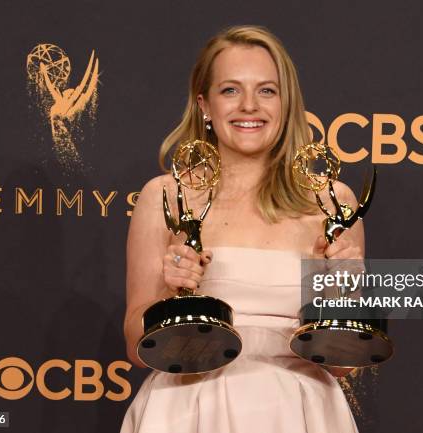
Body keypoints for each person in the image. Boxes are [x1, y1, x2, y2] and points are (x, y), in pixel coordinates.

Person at [121, 25, 364, 433]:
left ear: (287, 104)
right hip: (187, 409)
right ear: (204, 104)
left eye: (267, 90)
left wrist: (339, 292)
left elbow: (342, 363)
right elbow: (134, 345)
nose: (249, 105)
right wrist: (170, 293)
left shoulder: (332, 201)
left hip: (300, 412)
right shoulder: (166, 196)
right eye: (230, 90)